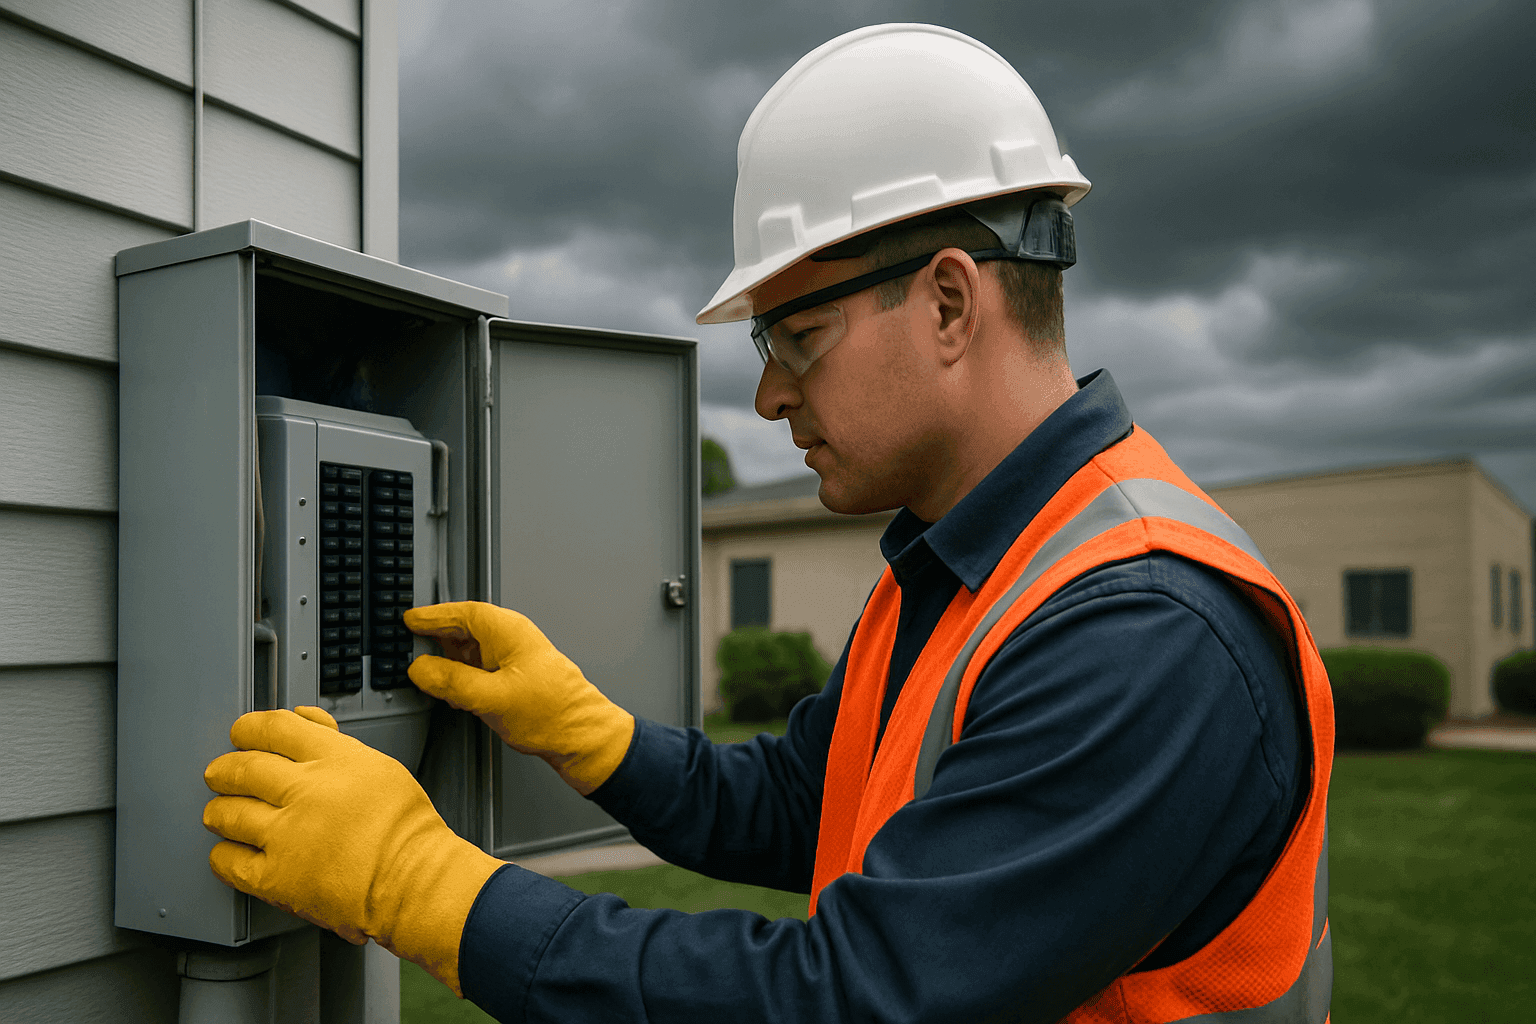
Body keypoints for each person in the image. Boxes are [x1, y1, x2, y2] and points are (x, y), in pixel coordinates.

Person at [202, 24, 1334, 1023]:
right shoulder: (965, 567)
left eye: (796, 334)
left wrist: (424, 886)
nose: (770, 395)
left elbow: (855, 998)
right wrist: (596, 736)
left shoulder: (1142, 628)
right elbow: (809, 806)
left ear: (949, 302)